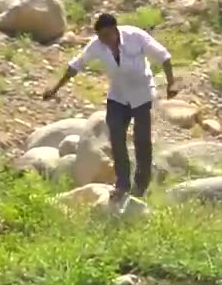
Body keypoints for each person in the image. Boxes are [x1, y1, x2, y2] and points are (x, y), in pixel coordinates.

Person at [43, 12, 177, 200]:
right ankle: (122, 183)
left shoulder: (135, 36)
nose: (105, 40)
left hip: (142, 94)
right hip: (118, 96)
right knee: (116, 135)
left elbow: (164, 57)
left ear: (115, 30)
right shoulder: (97, 45)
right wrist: (56, 87)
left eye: (107, 35)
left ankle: (141, 186)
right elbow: (76, 65)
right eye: (101, 36)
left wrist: (171, 83)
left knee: (142, 140)